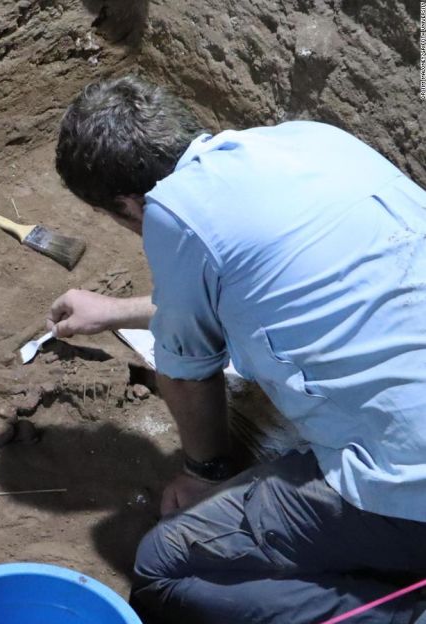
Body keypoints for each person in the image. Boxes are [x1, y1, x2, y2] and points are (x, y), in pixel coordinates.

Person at [49, 75, 426, 623]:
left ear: (129, 204)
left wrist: (204, 472)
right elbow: (248, 289)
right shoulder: (312, 141)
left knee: (164, 566)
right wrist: (116, 310)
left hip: (414, 482)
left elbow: (188, 372)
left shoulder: (172, 211)